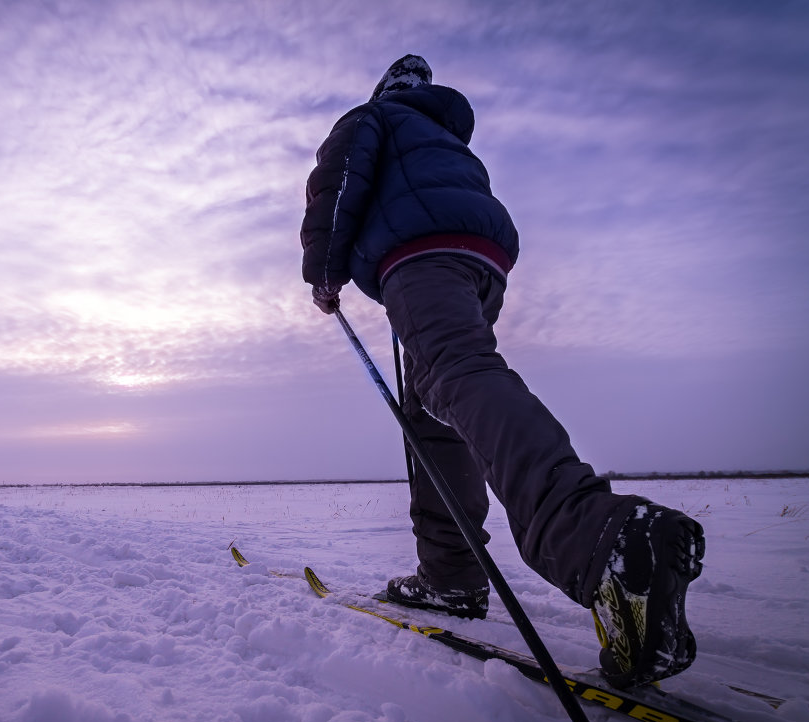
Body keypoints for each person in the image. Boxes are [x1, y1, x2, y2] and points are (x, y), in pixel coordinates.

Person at [299, 54, 705, 689]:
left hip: (418, 259)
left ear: (386, 90)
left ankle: (600, 538)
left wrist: (323, 273)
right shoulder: (448, 139)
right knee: (437, 412)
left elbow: (340, 181)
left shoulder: (373, 118)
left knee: (455, 375)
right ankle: (451, 578)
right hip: (480, 264)